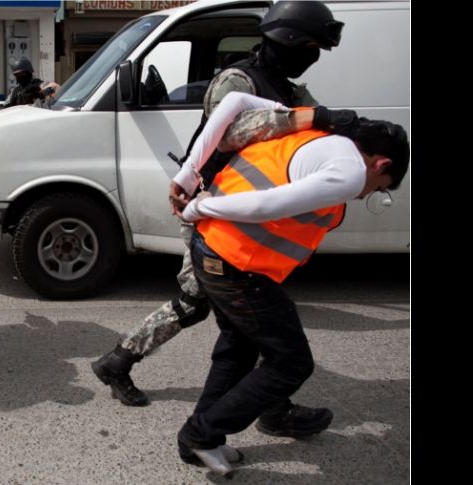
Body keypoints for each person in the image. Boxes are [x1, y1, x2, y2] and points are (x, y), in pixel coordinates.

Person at [92, 0, 346, 438]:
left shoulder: (286, 89)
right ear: (286, 40)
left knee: (241, 310)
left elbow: (316, 129)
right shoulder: (237, 80)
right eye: (310, 46)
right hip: (211, 210)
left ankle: (268, 403)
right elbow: (232, 132)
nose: (314, 56)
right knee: (206, 305)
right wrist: (312, 119)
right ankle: (121, 363)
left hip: (250, 218)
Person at [170, 91, 409, 475]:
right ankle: (201, 433)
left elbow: (233, 101)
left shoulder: (314, 127)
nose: (370, 192)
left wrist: (187, 173)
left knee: (239, 349)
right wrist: (198, 207)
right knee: (291, 363)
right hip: (236, 263)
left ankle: (201, 440)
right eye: (380, 185)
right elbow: (268, 205)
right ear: (382, 163)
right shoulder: (349, 172)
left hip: (212, 250)